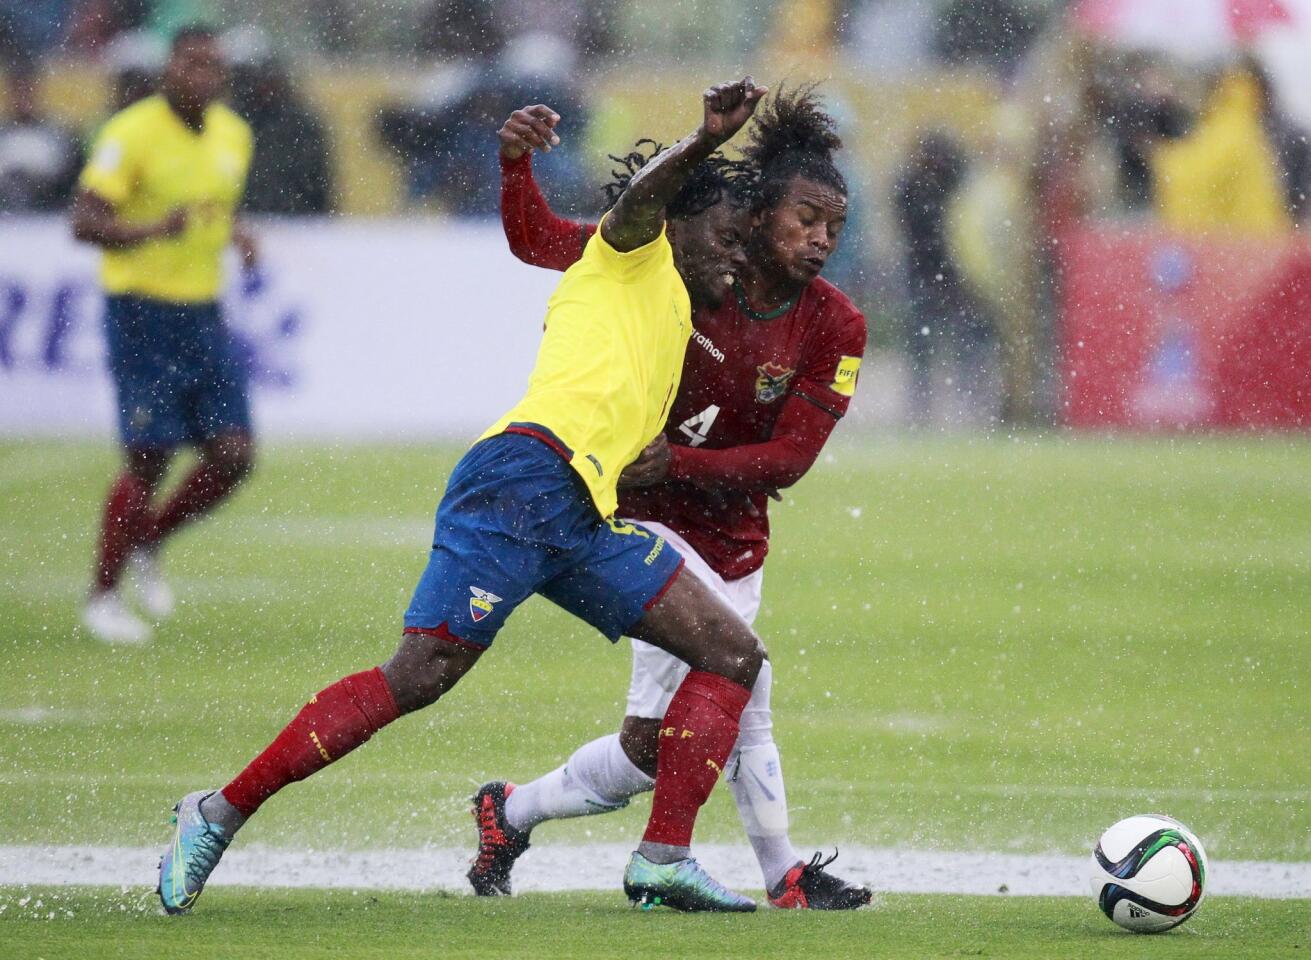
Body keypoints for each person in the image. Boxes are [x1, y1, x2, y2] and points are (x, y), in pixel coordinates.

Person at [157, 77, 771, 917]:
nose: (737, 259)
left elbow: (539, 253)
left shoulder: (666, 304)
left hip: (581, 514)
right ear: (676, 222)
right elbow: (636, 204)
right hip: (519, 482)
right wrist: (702, 142)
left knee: (731, 654)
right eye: (729, 239)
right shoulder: (637, 249)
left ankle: (663, 860)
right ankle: (216, 813)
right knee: (419, 675)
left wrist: (633, 461)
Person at [472, 86, 871, 910]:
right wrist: (516, 167)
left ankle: (509, 812)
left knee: (655, 746)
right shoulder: (680, 260)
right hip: (639, 521)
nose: (820, 239)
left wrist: (677, 466)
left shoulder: (834, 325)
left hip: (731, 534)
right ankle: (762, 873)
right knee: (740, 675)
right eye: (804, 218)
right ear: (758, 213)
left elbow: (790, 459)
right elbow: (539, 240)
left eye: (833, 225)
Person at [72, 25, 258, 645]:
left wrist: (237, 234)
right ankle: (103, 594)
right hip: (141, 311)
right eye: (191, 64)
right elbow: (85, 220)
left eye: (212, 66)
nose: (201, 76)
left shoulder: (234, 134)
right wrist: (153, 229)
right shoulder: (130, 133)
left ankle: (149, 538)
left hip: (203, 309)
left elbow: (213, 208)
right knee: (149, 456)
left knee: (233, 456)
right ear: (169, 69)